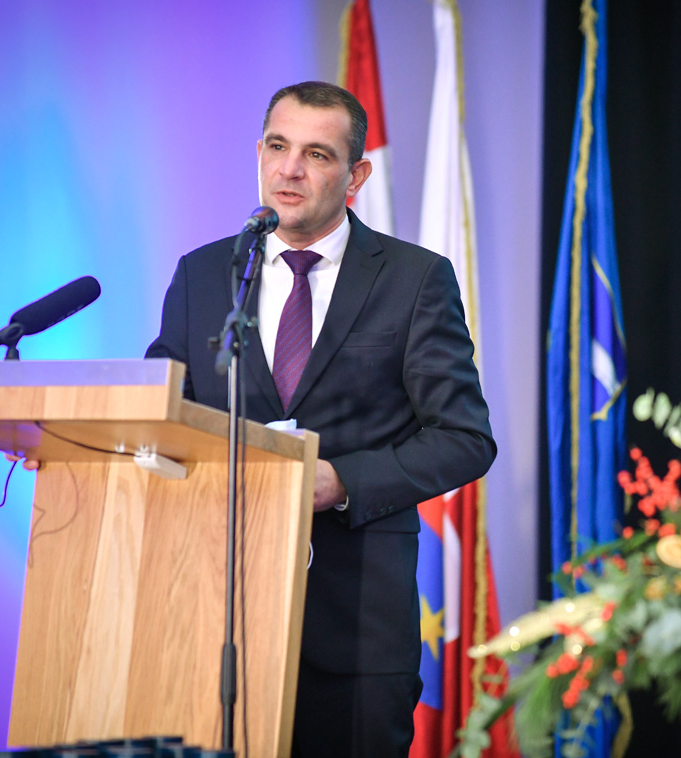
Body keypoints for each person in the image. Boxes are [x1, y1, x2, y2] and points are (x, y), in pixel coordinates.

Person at [145, 81, 495, 758]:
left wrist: (342, 481)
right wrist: (73, 442)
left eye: (317, 154)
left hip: (357, 626)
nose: (290, 169)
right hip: (214, 615)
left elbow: (465, 439)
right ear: (259, 153)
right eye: (278, 147)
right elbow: (162, 413)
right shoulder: (204, 275)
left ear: (356, 176)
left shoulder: (414, 279)